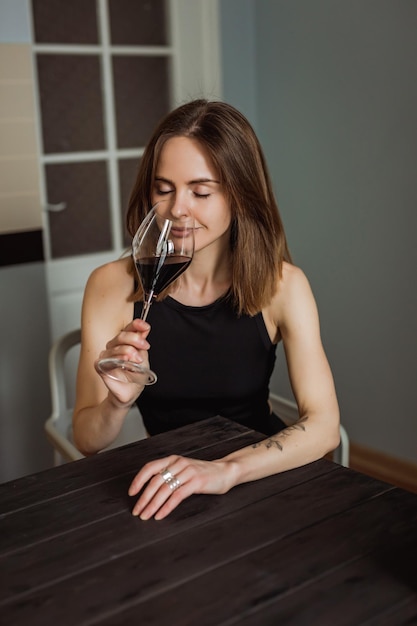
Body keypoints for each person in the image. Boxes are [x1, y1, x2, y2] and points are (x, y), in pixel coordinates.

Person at [73, 99, 340, 521]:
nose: (178, 208)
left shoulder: (283, 285)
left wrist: (226, 471)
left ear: (240, 194)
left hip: (261, 474)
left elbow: (325, 427)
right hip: (170, 482)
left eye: (200, 191)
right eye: (164, 189)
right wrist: (116, 406)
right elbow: (86, 439)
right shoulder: (111, 285)